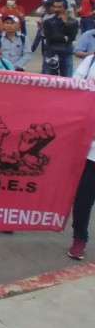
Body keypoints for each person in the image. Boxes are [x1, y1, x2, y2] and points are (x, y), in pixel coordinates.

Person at [67, 55, 95, 260]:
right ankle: (80, 238)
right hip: (90, 146)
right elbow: (73, 91)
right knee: (84, 196)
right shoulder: (90, 62)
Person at [41, 0, 78, 77]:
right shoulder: (48, 22)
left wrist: (66, 24)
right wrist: (64, 37)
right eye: (55, 7)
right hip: (51, 52)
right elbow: (50, 38)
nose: (56, 9)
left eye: (59, 7)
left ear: (65, 7)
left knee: (67, 78)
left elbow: (72, 37)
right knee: (48, 78)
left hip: (66, 52)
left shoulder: (73, 22)